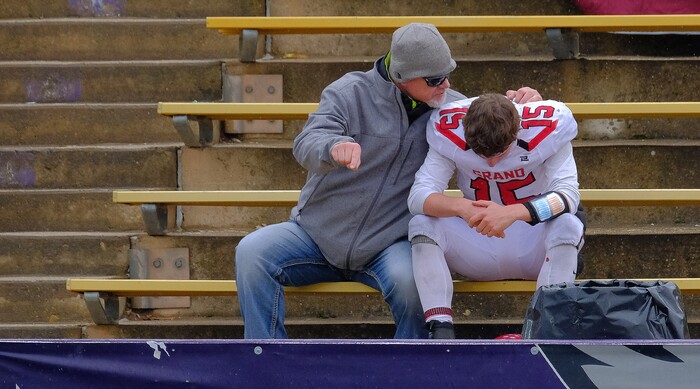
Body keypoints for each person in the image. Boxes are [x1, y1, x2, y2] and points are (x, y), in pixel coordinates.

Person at [234, 22, 543, 339]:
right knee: (252, 252)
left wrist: (525, 110)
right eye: (435, 78)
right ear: (403, 77)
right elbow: (307, 142)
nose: (446, 84)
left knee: (415, 287)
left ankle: (409, 373)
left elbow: (499, 140)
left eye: (448, 73)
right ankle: (266, 358)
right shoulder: (349, 92)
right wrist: (332, 147)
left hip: (389, 244)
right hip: (315, 234)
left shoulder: (453, 110)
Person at [408, 93, 585, 339]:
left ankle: (549, 329)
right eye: (480, 154)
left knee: (568, 224)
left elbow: (567, 197)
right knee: (422, 224)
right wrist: (463, 208)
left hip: (534, 241)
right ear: (464, 131)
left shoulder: (548, 129)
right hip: (480, 238)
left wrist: (512, 213)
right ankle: (440, 328)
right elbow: (418, 197)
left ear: (518, 131)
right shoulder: (448, 130)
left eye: (500, 153)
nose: (491, 163)